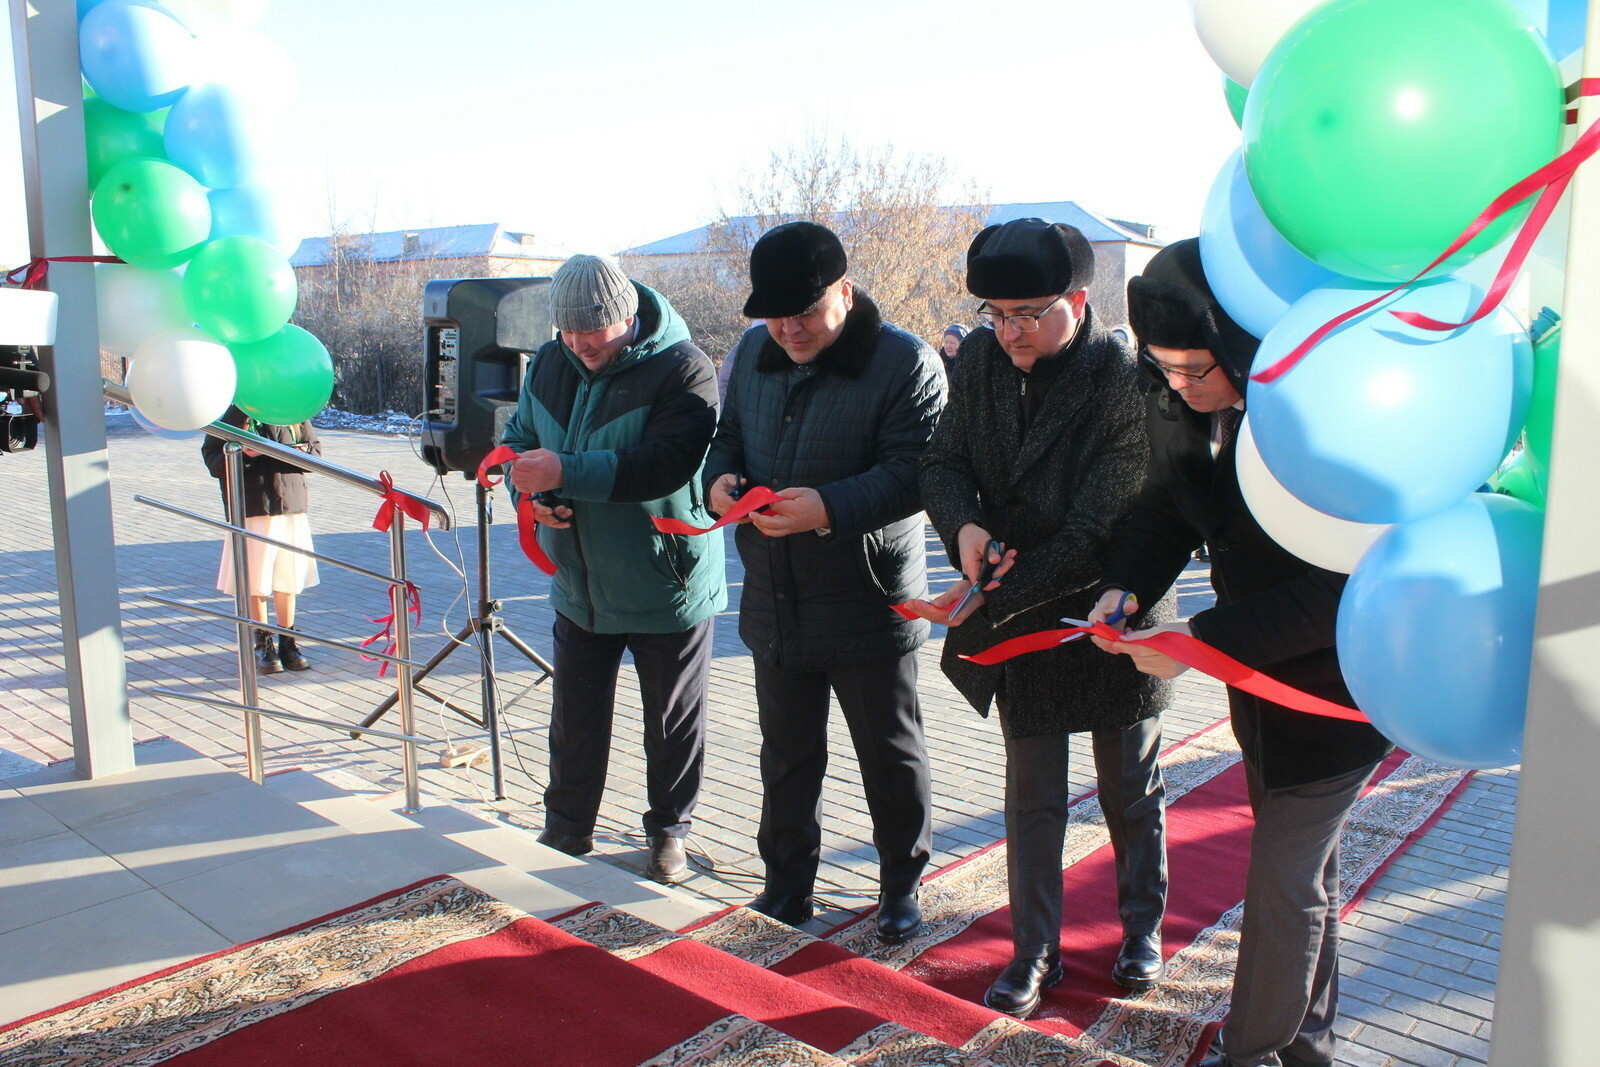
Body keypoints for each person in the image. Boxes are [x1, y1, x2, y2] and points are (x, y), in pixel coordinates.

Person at [1087, 238, 1393, 1067]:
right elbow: (1167, 509)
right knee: (1308, 879)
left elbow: (1339, 589)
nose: (1181, 387)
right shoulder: (1178, 399)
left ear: (1240, 343)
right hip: (1255, 688)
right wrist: (1126, 585)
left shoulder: (1318, 422)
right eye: (1164, 370)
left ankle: (1248, 1049)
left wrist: (1197, 642)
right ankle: (1310, 1048)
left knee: (1285, 883)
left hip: (1337, 691)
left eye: (1197, 368)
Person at [914, 217, 1173, 1019]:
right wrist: (962, 530)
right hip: (1015, 610)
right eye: (995, 313)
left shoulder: (1121, 376)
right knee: (1032, 795)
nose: (1010, 331)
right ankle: (1034, 950)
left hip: (1108, 611)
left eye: (1028, 313)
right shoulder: (985, 360)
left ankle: (1141, 929)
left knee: (1128, 784)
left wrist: (989, 593)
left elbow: (1099, 528)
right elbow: (943, 458)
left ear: (1078, 299)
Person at [704, 221, 946, 943]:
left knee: (890, 753)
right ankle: (785, 886)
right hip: (776, 594)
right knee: (786, 754)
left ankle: (901, 884)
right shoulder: (754, 350)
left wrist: (829, 508)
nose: (788, 329)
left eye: (804, 313)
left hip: (869, 598)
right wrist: (719, 482)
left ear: (844, 291)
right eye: (775, 316)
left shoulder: (905, 361)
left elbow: (917, 471)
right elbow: (729, 437)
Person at [500, 253, 726, 886]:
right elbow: (521, 438)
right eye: (567, 332)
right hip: (581, 581)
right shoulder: (550, 361)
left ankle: (669, 835)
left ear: (626, 316)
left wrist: (565, 473)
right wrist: (534, 495)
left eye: (591, 332)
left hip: (665, 579)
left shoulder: (685, 369)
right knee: (573, 717)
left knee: (671, 722)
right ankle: (566, 827)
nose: (579, 345)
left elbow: (666, 465)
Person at [203, 405, 321, 675]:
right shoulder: (235, 409)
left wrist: (300, 453)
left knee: (288, 576)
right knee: (257, 578)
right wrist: (244, 454)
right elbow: (212, 459)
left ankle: (288, 641)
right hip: (254, 503)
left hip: (290, 504)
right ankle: (263, 642)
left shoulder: (293, 406)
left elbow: (316, 452)